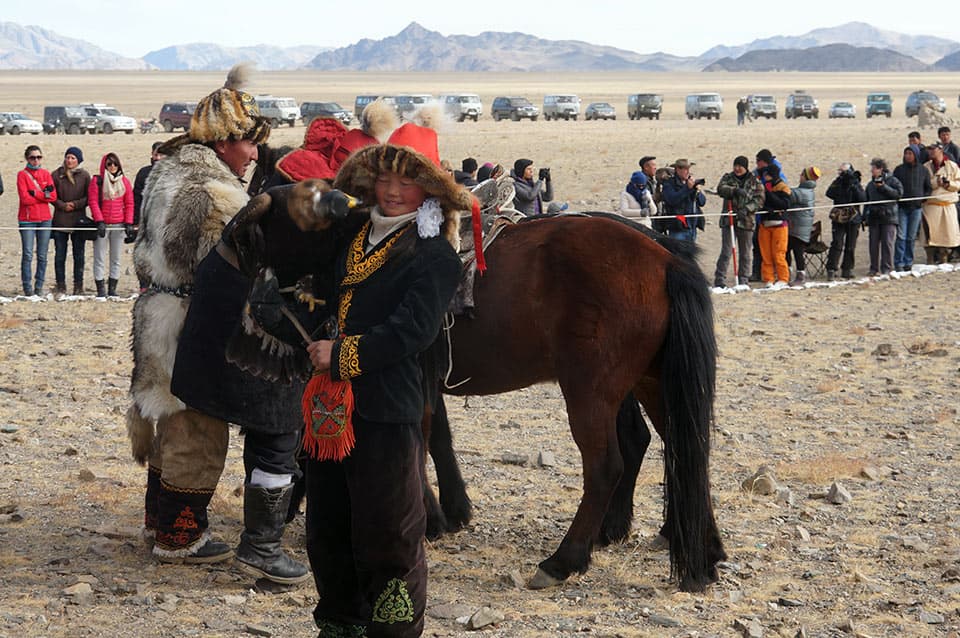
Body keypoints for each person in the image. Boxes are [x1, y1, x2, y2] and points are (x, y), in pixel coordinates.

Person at [304, 121, 465, 637]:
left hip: (388, 410)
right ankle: (339, 622)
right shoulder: (349, 233)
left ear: (430, 190)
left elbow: (412, 331)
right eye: (385, 179)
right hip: (328, 409)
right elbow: (324, 295)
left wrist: (342, 354)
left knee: (389, 529)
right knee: (327, 525)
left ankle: (394, 631)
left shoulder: (435, 255)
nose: (393, 192)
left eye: (408, 182)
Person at [128, 64, 272, 565]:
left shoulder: (167, 171)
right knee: (198, 427)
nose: (255, 154)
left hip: (156, 316)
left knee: (170, 420)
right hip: (192, 322)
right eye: (249, 143)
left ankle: (158, 524)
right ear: (226, 139)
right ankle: (181, 536)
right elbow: (237, 268)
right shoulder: (216, 193)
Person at [88, 152, 134, 297]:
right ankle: (100, 289)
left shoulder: (124, 182)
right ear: (104, 165)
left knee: (116, 258)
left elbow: (129, 203)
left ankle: (112, 289)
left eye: (115, 163)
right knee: (99, 257)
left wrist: (128, 222)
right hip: (103, 225)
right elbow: (93, 201)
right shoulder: (97, 181)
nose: (112, 166)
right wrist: (99, 220)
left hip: (119, 225)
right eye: (109, 164)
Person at [714, 155, 763, 287]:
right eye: (735, 165)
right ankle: (720, 280)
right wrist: (734, 190)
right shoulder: (728, 178)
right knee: (726, 251)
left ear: (745, 167)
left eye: (740, 166)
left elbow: (759, 199)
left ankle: (743, 280)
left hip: (746, 222)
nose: (737, 168)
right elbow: (720, 189)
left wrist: (747, 209)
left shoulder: (754, 181)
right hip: (729, 220)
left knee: (745, 254)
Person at [50, 146, 91, 296]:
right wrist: (62, 205)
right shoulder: (55, 175)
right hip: (60, 220)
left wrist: (75, 204)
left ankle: (78, 286)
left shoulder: (85, 176)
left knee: (78, 255)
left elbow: (89, 197)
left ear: (78, 160)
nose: (69, 160)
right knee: (60, 255)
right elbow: (51, 195)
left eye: (73, 158)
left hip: (78, 221)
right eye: (68, 157)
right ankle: (60, 285)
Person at [16, 145, 57, 296]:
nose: (36, 160)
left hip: (45, 219)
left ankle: (39, 286)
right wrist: (42, 195)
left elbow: (53, 197)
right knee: (27, 254)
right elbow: (25, 199)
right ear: (27, 158)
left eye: (39, 157)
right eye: (33, 157)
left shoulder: (46, 174)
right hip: (27, 220)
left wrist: (35, 193)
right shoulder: (22, 175)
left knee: (42, 255)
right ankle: (27, 287)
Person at [892, 145, 932, 271]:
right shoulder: (899, 170)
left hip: (916, 208)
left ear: (915, 155)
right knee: (901, 236)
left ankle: (908, 261)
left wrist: (922, 199)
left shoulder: (923, 170)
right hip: (902, 208)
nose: (908, 156)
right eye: (906, 153)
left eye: (910, 153)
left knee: (911, 237)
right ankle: (899, 263)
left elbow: (928, 188)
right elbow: (894, 187)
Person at [824, 163, 866, 280]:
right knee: (837, 243)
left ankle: (847, 269)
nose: (842, 173)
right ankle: (831, 268)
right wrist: (840, 182)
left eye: (844, 171)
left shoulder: (856, 182)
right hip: (839, 217)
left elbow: (862, 198)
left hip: (853, 217)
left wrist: (853, 184)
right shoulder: (838, 181)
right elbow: (829, 193)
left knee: (851, 245)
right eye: (840, 171)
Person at [863, 158, 904, 276]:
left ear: (881, 169)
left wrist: (883, 187)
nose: (872, 171)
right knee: (873, 244)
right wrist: (865, 216)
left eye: (874, 168)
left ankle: (887, 268)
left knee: (887, 243)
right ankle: (874, 268)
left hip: (889, 216)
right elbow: (867, 201)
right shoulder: (870, 185)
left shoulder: (893, 181)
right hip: (874, 217)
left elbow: (898, 194)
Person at [750, 149, 787, 280]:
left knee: (778, 251)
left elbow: (783, 202)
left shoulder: (778, 180)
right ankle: (763, 275)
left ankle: (781, 277)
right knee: (761, 248)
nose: (756, 164)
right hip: (762, 218)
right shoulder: (758, 174)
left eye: (757, 161)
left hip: (777, 220)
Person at [922, 142, 960, 264]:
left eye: (933, 149)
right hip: (931, 205)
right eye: (929, 149)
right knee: (930, 235)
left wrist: (949, 184)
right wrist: (935, 183)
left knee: (947, 234)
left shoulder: (952, 166)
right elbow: (923, 185)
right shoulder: (925, 167)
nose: (931, 151)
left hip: (947, 204)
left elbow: (958, 184)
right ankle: (930, 259)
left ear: (940, 150)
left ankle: (945, 258)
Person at [757, 165, 792, 287]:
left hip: (780, 225)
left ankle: (783, 278)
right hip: (765, 224)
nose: (765, 177)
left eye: (767, 175)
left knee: (779, 254)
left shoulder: (783, 187)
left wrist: (768, 193)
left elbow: (783, 204)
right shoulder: (763, 187)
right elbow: (760, 204)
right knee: (766, 255)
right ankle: (769, 278)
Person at [785, 166, 821, 285]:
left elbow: (790, 194)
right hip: (797, 227)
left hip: (798, 228)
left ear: (805, 177)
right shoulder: (807, 191)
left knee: (797, 252)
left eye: (801, 174)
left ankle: (800, 275)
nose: (800, 176)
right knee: (788, 250)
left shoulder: (803, 192)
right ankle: (789, 273)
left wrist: (781, 187)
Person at [660, 158, 705, 242]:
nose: (687, 172)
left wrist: (697, 190)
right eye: (685, 169)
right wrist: (687, 188)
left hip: (692, 225)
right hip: (677, 226)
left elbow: (702, 202)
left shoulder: (691, 182)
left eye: (688, 169)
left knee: (690, 253)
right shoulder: (669, 184)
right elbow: (672, 200)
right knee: (677, 253)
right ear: (677, 169)